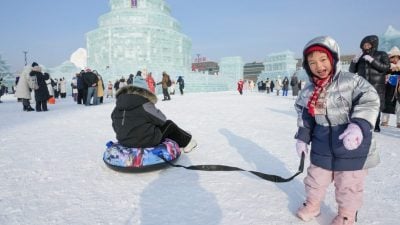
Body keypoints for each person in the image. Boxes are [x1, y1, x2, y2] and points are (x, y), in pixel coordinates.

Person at [294, 36, 380, 225]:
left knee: (348, 184)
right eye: (312, 62)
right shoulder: (308, 91)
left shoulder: (352, 81)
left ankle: (347, 214)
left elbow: (370, 99)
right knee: (315, 179)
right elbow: (305, 116)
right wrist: (302, 138)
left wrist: (358, 125)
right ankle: (313, 205)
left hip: (351, 144)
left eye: (323, 60)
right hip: (321, 143)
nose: (319, 66)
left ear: (333, 59)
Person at [111, 76, 197, 153]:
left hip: (123, 140)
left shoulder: (118, 106)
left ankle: (183, 134)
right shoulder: (144, 103)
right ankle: (188, 141)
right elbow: (162, 119)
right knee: (169, 125)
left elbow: (115, 124)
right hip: (145, 141)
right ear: (144, 91)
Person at [349, 35, 390, 132]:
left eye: (367, 44)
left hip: (377, 85)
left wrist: (372, 61)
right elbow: (352, 71)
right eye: (364, 45)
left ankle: (376, 124)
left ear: (373, 44)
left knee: (376, 104)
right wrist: (354, 61)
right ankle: (364, 123)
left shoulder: (381, 54)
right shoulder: (361, 57)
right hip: (363, 85)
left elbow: (386, 67)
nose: (365, 46)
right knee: (362, 104)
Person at [381, 46, 400, 128]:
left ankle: (399, 122)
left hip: (398, 88)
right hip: (388, 87)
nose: (394, 59)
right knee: (386, 103)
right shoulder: (387, 66)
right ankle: (384, 121)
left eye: (396, 57)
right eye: (392, 58)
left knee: (399, 105)